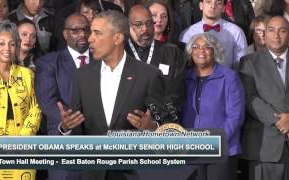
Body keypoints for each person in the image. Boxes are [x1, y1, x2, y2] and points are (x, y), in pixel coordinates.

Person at [58, 10, 164, 180]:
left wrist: (152, 128)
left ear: (118, 38)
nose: (89, 38)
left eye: (97, 33)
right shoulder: (81, 76)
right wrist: (66, 129)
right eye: (90, 32)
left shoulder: (149, 75)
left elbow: (169, 130)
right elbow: (78, 137)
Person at [0, 20, 41, 179]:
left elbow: (35, 109)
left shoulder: (27, 75)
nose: (7, 49)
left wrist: (22, 139)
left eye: (12, 44)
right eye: (1, 44)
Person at [239, 16, 289, 180]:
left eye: (282, 31)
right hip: (263, 148)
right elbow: (250, 100)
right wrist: (282, 122)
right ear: (264, 35)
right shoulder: (248, 62)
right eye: (271, 30)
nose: (276, 35)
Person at [180, 33, 245, 180]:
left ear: (215, 51)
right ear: (191, 52)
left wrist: (215, 142)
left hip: (222, 149)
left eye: (207, 47)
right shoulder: (184, 77)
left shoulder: (229, 77)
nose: (201, 51)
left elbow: (235, 116)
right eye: (196, 47)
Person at [35, 13, 91, 180]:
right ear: (65, 34)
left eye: (86, 29)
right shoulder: (49, 62)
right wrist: (72, 121)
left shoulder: (102, 60)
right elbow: (47, 102)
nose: (82, 34)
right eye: (76, 30)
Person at [127, 4, 186, 109]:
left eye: (149, 23)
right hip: (126, 120)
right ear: (128, 25)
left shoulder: (172, 52)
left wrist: (156, 118)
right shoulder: (120, 51)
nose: (145, 29)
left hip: (162, 120)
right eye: (138, 24)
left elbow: (176, 93)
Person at [179, 0, 247, 69]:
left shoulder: (236, 32)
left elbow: (240, 65)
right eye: (208, 2)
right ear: (201, 5)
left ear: (223, 8)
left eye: (218, 3)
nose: (213, 6)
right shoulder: (187, 33)